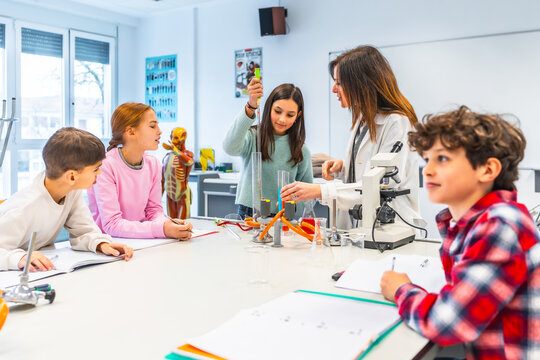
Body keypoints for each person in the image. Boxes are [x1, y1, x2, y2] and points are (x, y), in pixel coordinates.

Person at [380, 106, 540, 359]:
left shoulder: (501, 225)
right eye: (427, 159)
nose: (427, 170)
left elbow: (447, 323)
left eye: (442, 159)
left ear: (487, 170)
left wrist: (402, 289)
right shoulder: (479, 221)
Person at [281, 45, 423, 229]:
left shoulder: (397, 123)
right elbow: (371, 169)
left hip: (390, 229)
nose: (334, 89)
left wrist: (320, 191)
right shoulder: (363, 119)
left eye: (339, 83)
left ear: (362, 83)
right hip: (361, 228)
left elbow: (382, 185)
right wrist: (344, 167)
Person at [0, 127, 133, 271]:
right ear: (72, 176)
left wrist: (101, 244)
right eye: (96, 169)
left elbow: (83, 232)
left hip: (40, 272)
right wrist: (18, 258)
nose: (100, 173)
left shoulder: (71, 191)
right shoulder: (23, 208)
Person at [88, 102, 192, 240]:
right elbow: (111, 224)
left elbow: (154, 211)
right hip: (109, 246)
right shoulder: (105, 166)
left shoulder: (153, 164)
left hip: (141, 243)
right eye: (152, 126)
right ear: (131, 131)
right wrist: (162, 229)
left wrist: (168, 224)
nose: (159, 131)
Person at [223, 79, 313, 218]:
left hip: (283, 215)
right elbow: (229, 147)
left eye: (290, 115)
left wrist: (294, 203)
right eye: (277, 111)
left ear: (298, 115)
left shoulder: (301, 150)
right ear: (269, 107)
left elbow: (308, 196)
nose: (282, 119)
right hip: (249, 212)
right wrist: (250, 107)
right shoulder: (253, 137)